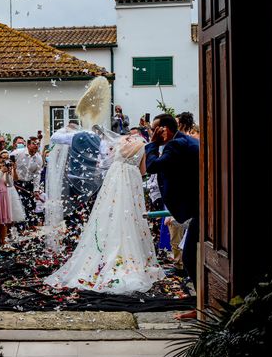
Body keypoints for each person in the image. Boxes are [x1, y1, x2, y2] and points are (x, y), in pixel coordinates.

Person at [45, 134, 165, 294]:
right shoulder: (143, 145)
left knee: (109, 214)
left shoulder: (120, 142)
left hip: (114, 178)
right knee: (130, 215)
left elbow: (110, 158)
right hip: (131, 179)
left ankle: (103, 255)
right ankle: (131, 260)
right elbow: (143, 170)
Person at [145, 114, 199, 318]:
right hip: (198, 206)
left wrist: (152, 145)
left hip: (198, 207)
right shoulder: (187, 141)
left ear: (165, 129)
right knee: (192, 255)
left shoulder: (175, 145)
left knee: (189, 256)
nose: (152, 133)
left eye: (154, 129)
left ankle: (202, 306)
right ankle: (203, 304)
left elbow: (153, 167)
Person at [12, 136, 43, 230]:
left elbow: (37, 175)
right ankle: (20, 227)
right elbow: (8, 160)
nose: (36, 146)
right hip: (17, 183)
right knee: (19, 205)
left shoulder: (39, 158)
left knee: (31, 204)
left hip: (29, 183)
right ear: (28, 145)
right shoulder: (18, 153)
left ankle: (30, 225)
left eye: (37, 144)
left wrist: (36, 189)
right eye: (34, 143)